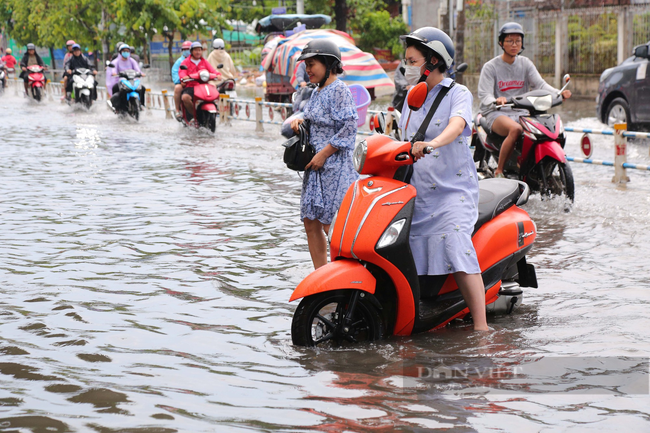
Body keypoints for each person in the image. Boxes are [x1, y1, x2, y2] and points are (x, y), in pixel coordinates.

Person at [398, 27, 489, 332]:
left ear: (433, 61)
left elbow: (457, 125)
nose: (406, 67)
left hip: (452, 191)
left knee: (454, 241)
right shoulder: (410, 98)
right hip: (417, 192)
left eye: (412, 61)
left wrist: (433, 143)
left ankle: (481, 327)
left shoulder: (458, 93)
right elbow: (401, 141)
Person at [289, 40, 359, 269]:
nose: (308, 70)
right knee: (311, 222)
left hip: (333, 166)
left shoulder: (339, 90)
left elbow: (349, 127)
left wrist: (324, 154)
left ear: (329, 64)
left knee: (332, 224)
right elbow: (318, 120)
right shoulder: (318, 90)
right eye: (306, 65)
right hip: (315, 166)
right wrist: (302, 122)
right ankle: (322, 276)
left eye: (312, 64)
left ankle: (348, 277)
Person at [478, 22, 572, 178]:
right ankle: (499, 171)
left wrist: (558, 94)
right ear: (501, 43)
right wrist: (496, 100)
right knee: (515, 129)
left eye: (518, 41)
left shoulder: (525, 63)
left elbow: (540, 84)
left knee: (542, 130)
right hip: (497, 112)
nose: (514, 44)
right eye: (509, 41)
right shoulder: (491, 67)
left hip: (521, 111)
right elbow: (484, 93)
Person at [179, 42, 220, 120]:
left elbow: (212, 70)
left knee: (215, 93)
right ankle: (193, 115)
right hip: (191, 86)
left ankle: (216, 109)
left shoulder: (204, 62)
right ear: (191, 51)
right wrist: (184, 76)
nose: (198, 52)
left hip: (203, 86)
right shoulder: (186, 62)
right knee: (185, 97)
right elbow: (182, 72)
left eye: (199, 50)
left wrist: (217, 74)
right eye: (196, 50)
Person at [107, 45, 146, 112]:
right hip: (121, 80)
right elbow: (114, 70)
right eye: (124, 51)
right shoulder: (116, 62)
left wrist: (141, 73)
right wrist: (114, 73)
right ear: (120, 52)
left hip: (132, 80)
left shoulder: (132, 61)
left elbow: (137, 69)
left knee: (142, 88)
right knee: (115, 88)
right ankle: (116, 107)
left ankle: (141, 104)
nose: (126, 52)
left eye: (127, 51)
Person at [172, 41, 192, 119]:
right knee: (178, 88)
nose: (187, 51)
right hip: (184, 83)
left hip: (196, 83)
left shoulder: (198, 60)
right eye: (185, 49)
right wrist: (182, 81)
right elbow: (175, 75)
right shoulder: (179, 62)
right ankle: (177, 110)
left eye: (188, 49)